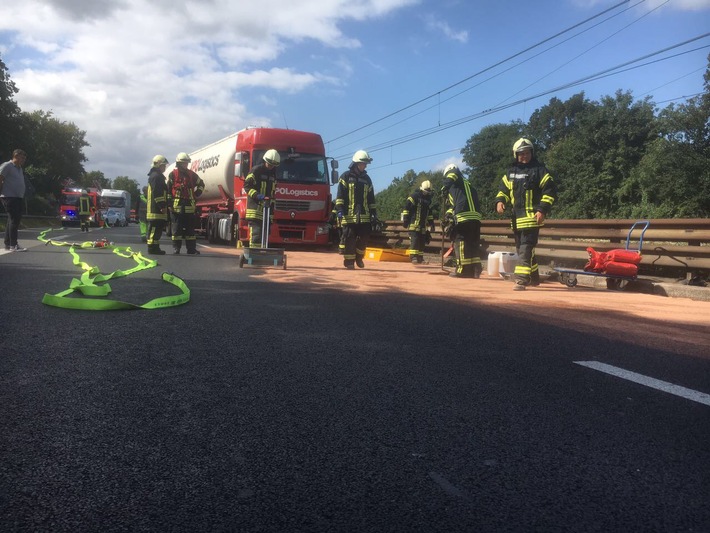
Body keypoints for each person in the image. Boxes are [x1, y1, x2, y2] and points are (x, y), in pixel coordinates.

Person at [495, 137, 558, 290]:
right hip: (516, 219)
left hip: (532, 218)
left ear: (532, 153)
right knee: (522, 249)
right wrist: (499, 201)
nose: (524, 156)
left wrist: (542, 209)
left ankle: (521, 279)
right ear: (515, 155)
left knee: (525, 248)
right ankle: (534, 278)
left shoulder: (540, 170)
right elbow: (503, 190)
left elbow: (550, 191)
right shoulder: (510, 172)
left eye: (527, 153)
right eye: (521, 154)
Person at [335, 150, 377, 269]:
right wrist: (339, 210)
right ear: (356, 163)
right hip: (349, 215)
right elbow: (340, 196)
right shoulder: (345, 177)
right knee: (350, 239)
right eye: (363, 164)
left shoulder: (367, 179)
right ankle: (349, 262)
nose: (365, 166)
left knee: (364, 238)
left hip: (364, 215)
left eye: (365, 164)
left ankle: (359, 257)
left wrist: (374, 213)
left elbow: (371, 199)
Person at [441, 164, 483, 278]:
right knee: (472, 243)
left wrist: (444, 187)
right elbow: (453, 205)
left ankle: (462, 270)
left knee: (461, 242)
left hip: (464, 217)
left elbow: (453, 172)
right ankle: (475, 269)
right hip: (475, 218)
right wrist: (447, 216)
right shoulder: (467, 185)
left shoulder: (456, 180)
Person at [166, 152, 204, 255]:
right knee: (176, 230)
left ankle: (191, 249)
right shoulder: (173, 174)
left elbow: (201, 184)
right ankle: (176, 248)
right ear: (178, 163)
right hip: (176, 207)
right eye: (183, 163)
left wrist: (196, 193)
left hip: (189, 207)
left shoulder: (192, 175)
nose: (185, 165)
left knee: (190, 231)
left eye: (186, 163)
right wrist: (169, 204)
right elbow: (168, 190)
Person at [244, 149, 280, 248]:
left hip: (268, 210)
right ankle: (254, 255)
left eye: (273, 165)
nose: (271, 167)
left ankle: (263, 253)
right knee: (256, 233)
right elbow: (247, 187)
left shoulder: (273, 173)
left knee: (266, 233)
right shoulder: (256, 171)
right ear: (265, 161)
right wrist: (259, 196)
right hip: (255, 209)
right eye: (269, 164)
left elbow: (273, 190)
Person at [0, 149, 28, 252]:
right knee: (14, 220)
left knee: (11, 219)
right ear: (15, 156)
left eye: (24, 158)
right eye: (22, 157)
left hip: (17, 197)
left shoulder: (19, 168)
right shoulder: (7, 166)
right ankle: (13, 245)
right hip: (9, 196)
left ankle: (8, 244)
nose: (23, 160)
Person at [402, 180, 435, 264]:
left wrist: (431, 223)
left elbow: (429, 213)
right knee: (415, 240)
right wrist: (405, 219)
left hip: (423, 225)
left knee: (422, 242)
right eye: (427, 191)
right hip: (414, 224)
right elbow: (406, 207)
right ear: (423, 189)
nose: (428, 193)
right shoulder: (414, 196)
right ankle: (413, 257)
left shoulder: (427, 200)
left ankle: (420, 258)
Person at [146, 156, 170, 255]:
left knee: (157, 231)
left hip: (156, 209)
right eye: (163, 165)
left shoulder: (156, 176)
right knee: (154, 230)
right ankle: (152, 248)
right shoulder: (156, 177)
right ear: (158, 165)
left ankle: (155, 248)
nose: (165, 167)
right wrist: (162, 206)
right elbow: (157, 193)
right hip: (155, 209)